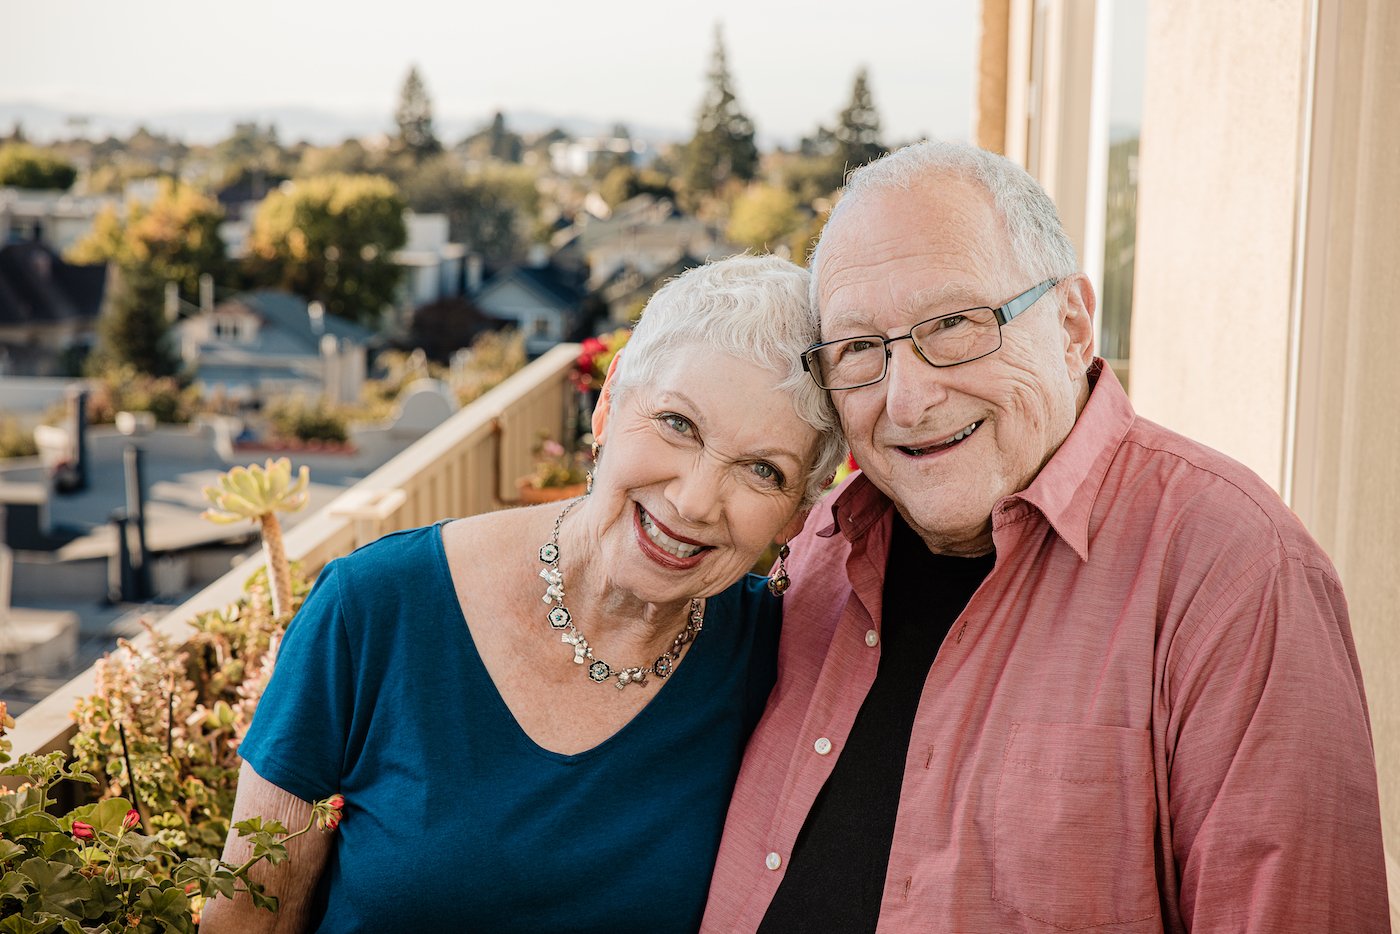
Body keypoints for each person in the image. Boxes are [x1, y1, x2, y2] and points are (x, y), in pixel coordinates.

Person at [700, 142, 1390, 933]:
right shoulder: (823, 547)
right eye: (860, 349)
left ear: (1070, 326)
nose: (908, 399)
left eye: (954, 324)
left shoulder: (1234, 571)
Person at [201, 254, 846, 933]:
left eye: (761, 471)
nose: (693, 500)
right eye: (678, 424)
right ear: (608, 404)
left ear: (798, 512)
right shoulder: (373, 609)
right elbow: (249, 917)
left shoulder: (780, 666)